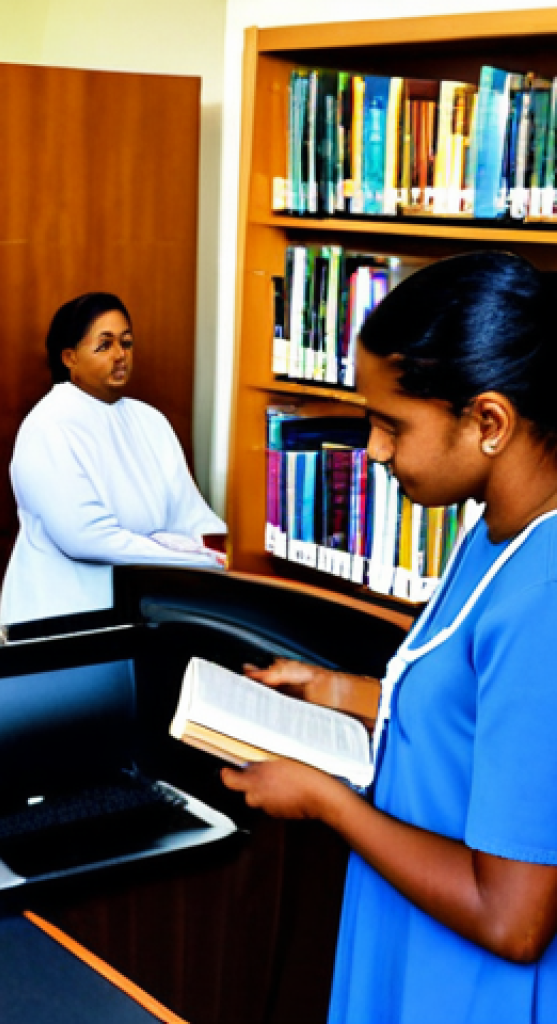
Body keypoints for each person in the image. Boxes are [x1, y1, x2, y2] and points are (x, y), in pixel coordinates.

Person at [222, 251, 557, 1023]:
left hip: (475, 986)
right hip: (417, 936)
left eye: (391, 424)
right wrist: (340, 693)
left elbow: (514, 919)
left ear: (489, 422)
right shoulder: (496, 527)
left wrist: (329, 804)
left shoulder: (544, 597)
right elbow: (483, 722)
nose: (371, 451)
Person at [0, 292, 226, 625]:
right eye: (104, 346)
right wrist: (190, 555)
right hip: (63, 617)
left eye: (127, 343)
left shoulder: (150, 421)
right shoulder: (48, 426)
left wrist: (229, 554)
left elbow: (190, 515)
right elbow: (86, 538)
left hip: (142, 609)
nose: (120, 355)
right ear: (69, 357)